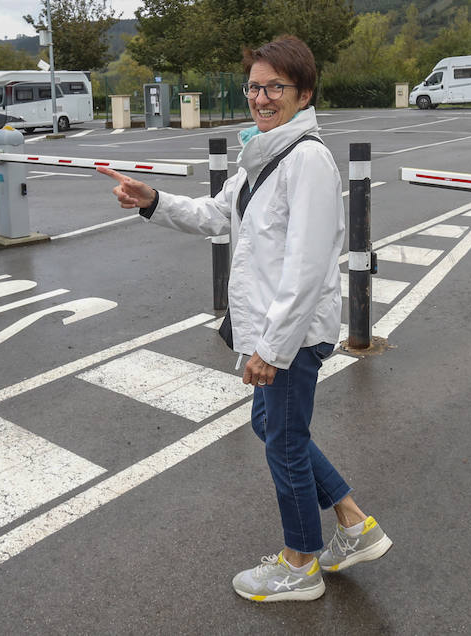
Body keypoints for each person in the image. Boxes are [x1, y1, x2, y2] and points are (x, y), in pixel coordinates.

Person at [98, 35, 392, 601]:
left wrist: (271, 351)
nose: (261, 97)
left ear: (303, 94)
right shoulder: (262, 155)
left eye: (274, 87)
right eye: (254, 86)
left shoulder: (305, 160)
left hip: (292, 336)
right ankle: (354, 522)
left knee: (283, 443)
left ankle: (300, 564)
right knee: (273, 428)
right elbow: (216, 214)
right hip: (273, 330)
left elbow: (307, 268)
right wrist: (153, 201)